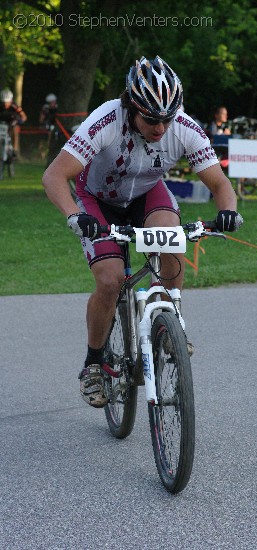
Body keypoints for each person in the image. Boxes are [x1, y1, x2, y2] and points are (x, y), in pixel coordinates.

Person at [42, 55, 243, 408]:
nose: (161, 128)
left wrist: (228, 211)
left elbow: (219, 182)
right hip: (98, 199)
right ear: (131, 107)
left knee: (172, 244)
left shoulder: (183, 126)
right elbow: (54, 176)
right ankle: (93, 362)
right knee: (109, 280)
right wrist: (74, 215)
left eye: (167, 118)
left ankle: (165, 322)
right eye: (151, 119)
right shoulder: (105, 120)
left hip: (147, 194)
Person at [0, 88, 27, 156]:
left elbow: (24, 116)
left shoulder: (15, 106)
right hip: (3, 121)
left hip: (13, 121)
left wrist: (20, 121)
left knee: (15, 129)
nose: (6, 104)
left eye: (7, 102)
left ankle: (15, 149)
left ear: (10, 101)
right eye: (4, 102)